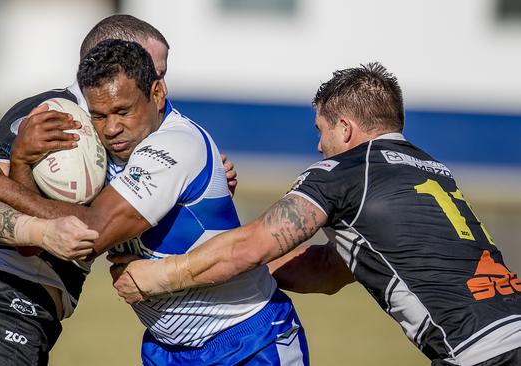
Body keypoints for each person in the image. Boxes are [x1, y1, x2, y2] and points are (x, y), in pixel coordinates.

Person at [109, 62, 521, 366]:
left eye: (320, 131)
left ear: (344, 128)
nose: (319, 146)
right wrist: (241, 281)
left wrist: (160, 276)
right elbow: (330, 270)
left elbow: (250, 247)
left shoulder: (342, 173)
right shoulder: (431, 170)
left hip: (478, 353)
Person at [0, 39, 309, 365]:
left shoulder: (175, 146)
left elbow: (91, 230)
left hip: (247, 340)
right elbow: (36, 243)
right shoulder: (97, 151)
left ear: (157, 93)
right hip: (167, 348)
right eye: (99, 115)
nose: (110, 129)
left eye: (123, 111)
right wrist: (21, 161)